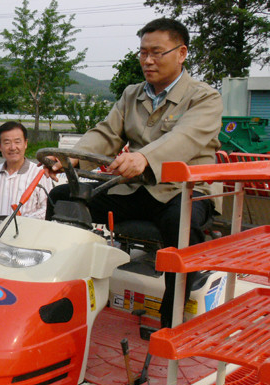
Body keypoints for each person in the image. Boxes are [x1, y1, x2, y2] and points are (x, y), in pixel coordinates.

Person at [43, 18, 223, 328]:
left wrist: (144, 158)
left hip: (182, 191)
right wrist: (71, 158)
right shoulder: (132, 94)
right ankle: (56, 291)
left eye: (157, 52)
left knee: (181, 224)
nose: (148, 60)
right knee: (62, 197)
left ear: (181, 53)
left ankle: (172, 319)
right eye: (142, 52)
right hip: (134, 188)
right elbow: (107, 133)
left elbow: (185, 138)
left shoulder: (205, 97)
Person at [0, 121, 54, 243]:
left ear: (25, 143)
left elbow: (47, 209)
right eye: (7, 142)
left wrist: (22, 221)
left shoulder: (39, 173)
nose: (13, 147)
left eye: (17, 142)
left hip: (26, 238)